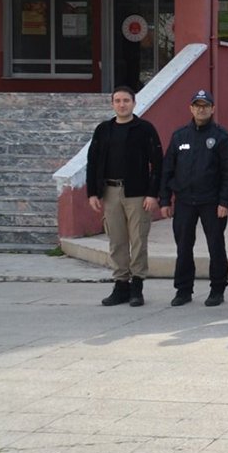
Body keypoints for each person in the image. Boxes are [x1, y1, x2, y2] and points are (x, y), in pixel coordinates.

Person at [86, 86, 162, 307]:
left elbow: (157, 162)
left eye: (126, 100)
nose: (122, 104)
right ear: (112, 104)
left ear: (134, 103)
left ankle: (137, 286)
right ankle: (121, 285)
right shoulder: (103, 130)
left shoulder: (145, 129)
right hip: (110, 191)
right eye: (117, 101)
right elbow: (93, 162)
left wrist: (152, 193)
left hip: (138, 193)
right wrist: (92, 192)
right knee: (116, 241)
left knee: (138, 240)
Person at [160, 89, 228, 307]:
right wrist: (165, 200)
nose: (201, 109)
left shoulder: (221, 136)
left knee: (216, 246)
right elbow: (167, 170)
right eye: (197, 105)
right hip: (184, 202)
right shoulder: (179, 136)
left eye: (205, 105)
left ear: (212, 109)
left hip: (212, 203)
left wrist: (224, 202)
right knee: (183, 247)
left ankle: (217, 290)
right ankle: (183, 290)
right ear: (191, 108)